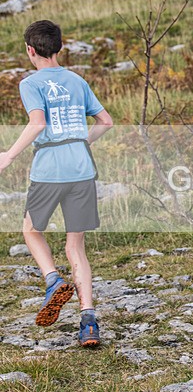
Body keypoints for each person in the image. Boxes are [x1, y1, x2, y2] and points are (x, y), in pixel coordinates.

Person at [0, 20, 113, 347]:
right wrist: (82, 141)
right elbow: (105, 121)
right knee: (75, 246)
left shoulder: (30, 82)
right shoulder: (78, 81)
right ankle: (89, 323)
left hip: (49, 170)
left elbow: (37, 124)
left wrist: (8, 156)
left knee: (31, 230)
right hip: (81, 169)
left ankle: (52, 281)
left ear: (30, 50)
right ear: (59, 48)